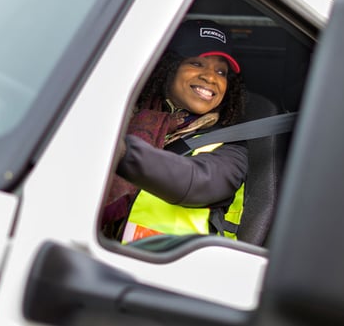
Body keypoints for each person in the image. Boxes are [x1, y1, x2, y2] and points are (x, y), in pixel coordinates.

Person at [101, 19, 247, 243]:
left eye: (221, 71)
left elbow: (195, 182)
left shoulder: (230, 146)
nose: (210, 77)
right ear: (168, 67)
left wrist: (120, 151)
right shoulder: (124, 113)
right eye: (197, 64)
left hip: (170, 270)